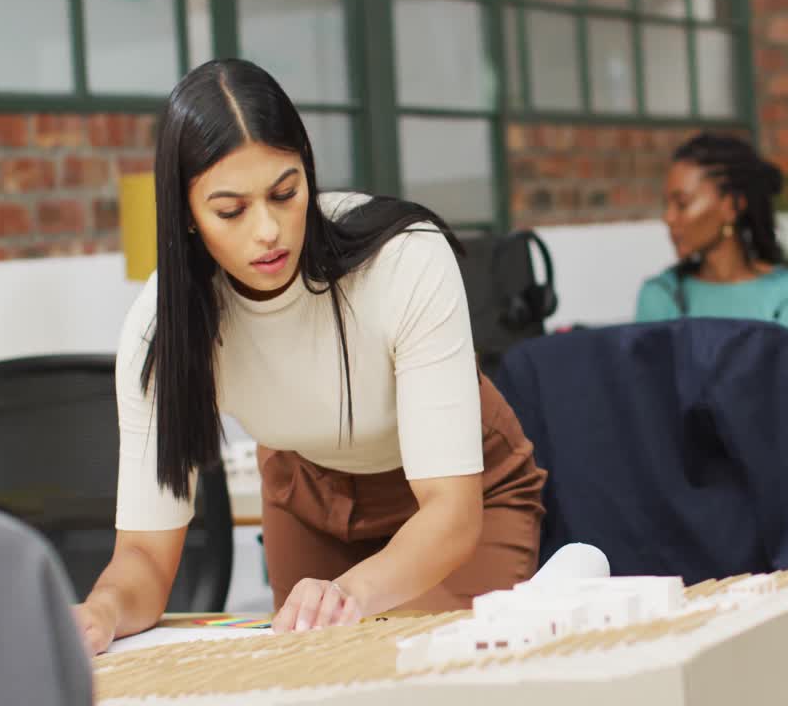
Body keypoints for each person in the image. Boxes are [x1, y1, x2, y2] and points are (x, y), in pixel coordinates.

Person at [70, 59, 546, 655]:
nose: (268, 229)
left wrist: (347, 594)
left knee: (432, 674)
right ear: (187, 217)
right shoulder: (159, 332)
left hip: (455, 498)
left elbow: (449, 512)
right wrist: (103, 610)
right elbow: (142, 555)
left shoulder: (403, 261)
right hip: (308, 492)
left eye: (284, 193)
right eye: (230, 210)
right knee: (308, 671)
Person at [634, 133, 788, 332]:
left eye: (682, 204)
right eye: (666, 205)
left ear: (731, 206)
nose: (668, 218)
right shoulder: (663, 294)